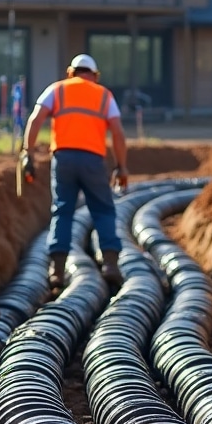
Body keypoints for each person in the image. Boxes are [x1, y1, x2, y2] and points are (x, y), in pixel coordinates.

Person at [24, 53, 129, 292]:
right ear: (95, 76)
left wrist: (27, 153)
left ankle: (57, 271)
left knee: (62, 211)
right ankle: (110, 265)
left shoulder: (57, 90)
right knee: (103, 210)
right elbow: (118, 132)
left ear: (70, 73)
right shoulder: (104, 95)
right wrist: (121, 166)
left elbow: (35, 119)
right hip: (93, 161)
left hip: (63, 160)